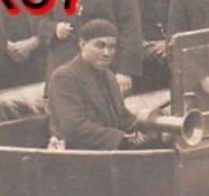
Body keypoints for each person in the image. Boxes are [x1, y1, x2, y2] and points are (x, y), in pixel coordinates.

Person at [45, 20, 154, 151]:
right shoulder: (64, 77)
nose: (106, 53)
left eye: (112, 47)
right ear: (82, 44)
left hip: (107, 153)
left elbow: (122, 117)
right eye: (100, 46)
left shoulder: (109, 77)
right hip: (78, 157)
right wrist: (121, 138)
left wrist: (147, 126)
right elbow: (73, 126)